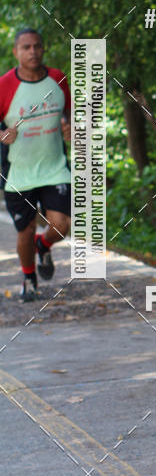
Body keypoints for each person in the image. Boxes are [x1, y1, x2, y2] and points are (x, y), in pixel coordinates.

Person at [0, 28, 71, 301]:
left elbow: (69, 108)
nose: (32, 52)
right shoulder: (5, 85)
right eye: (26, 47)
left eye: (37, 46)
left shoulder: (57, 78)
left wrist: (70, 126)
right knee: (25, 230)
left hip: (54, 167)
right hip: (19, 171)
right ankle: (29, 278)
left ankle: (44, 245)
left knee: (61, 225)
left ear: (43, 49)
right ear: (16, 52)